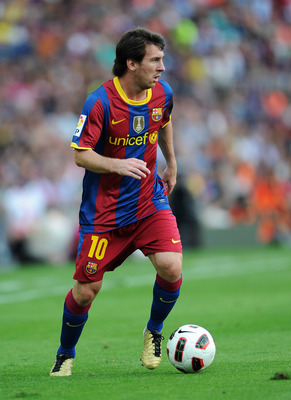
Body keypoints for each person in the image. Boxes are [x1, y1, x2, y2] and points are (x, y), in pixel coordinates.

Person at [50, 27, 183, 377]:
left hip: (148, 202)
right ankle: (66, 353)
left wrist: (171, 162)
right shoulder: (100, 102)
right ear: (131, 63)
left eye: (162, 59)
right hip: (104, 213)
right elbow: (81, 154)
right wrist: (117, 164)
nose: (162, 67)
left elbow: (164, 119)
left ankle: (154, 330)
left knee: (171, 267)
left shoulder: (161, 93)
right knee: (85, 291)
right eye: (155, 60)